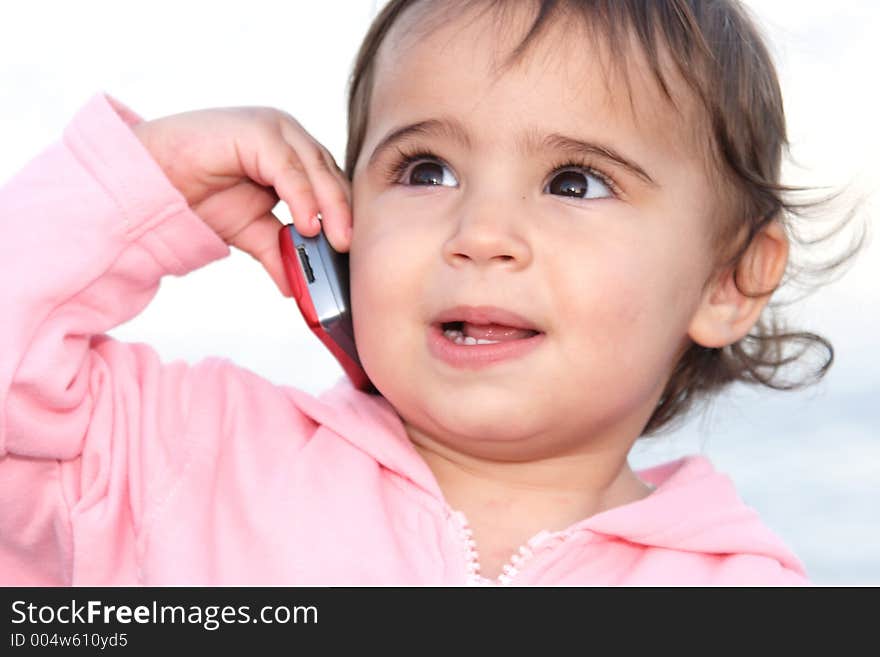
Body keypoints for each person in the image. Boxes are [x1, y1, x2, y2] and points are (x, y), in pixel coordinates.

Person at [0, 0, 860, 586]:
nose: (480, 233)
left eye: (573, 183)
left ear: (728, 280)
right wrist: (142, 184)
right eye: (426, 169)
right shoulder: (179, 456)